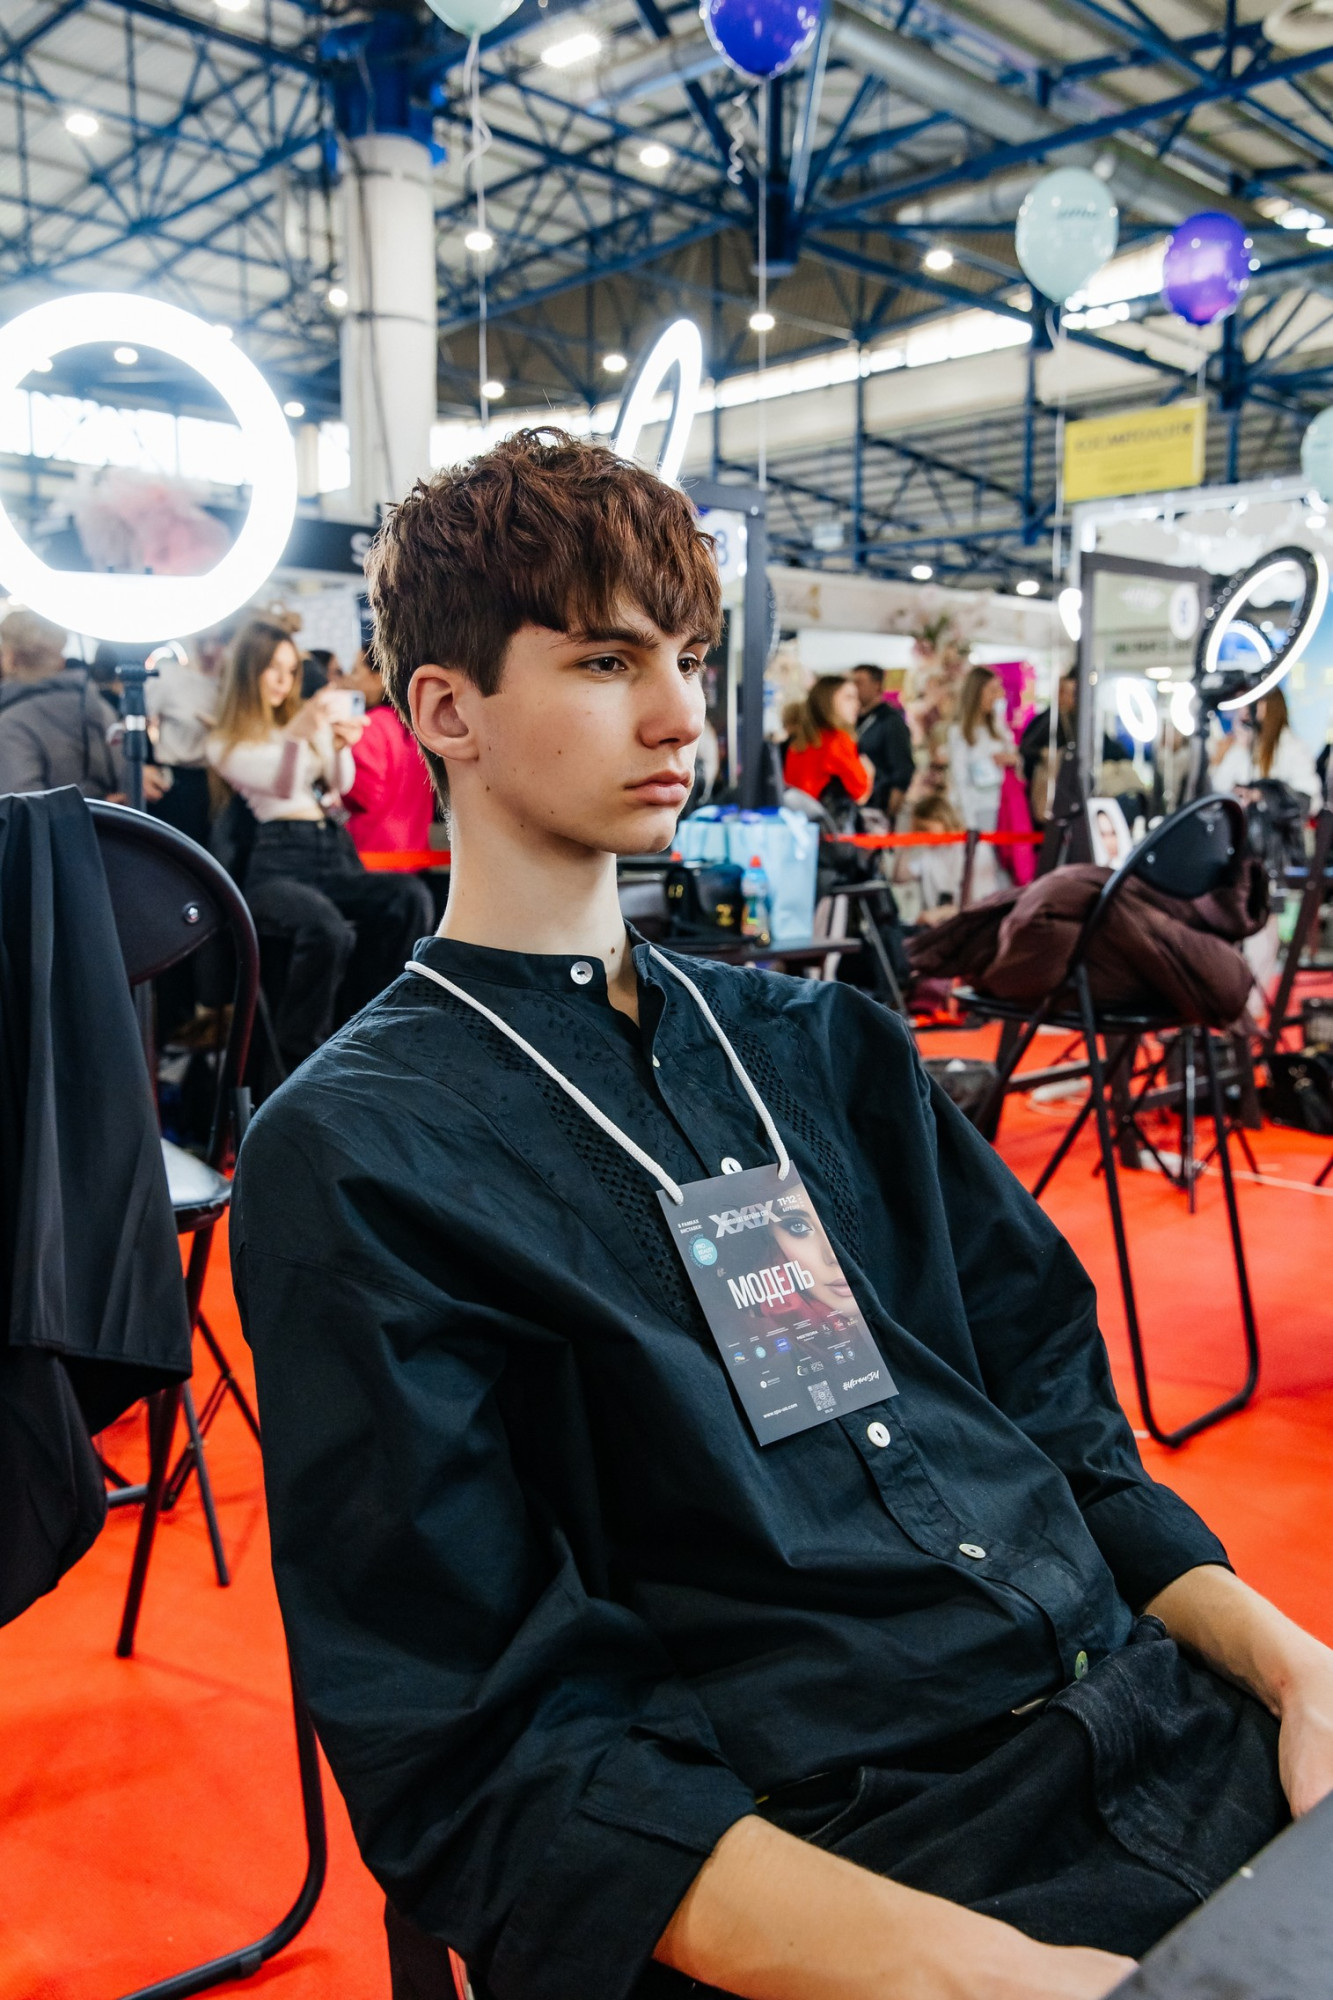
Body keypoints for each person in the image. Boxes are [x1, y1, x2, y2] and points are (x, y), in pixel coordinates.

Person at [231, 430, 1333, 2000]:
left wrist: (1296, 1668)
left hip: (1168, 1709)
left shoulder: (823, 1046)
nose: (681, 715)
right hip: (851, 1862)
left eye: (686, 658)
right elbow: (487, 1736)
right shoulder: (361, 1148)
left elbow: (1057, 1420)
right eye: (606, 661)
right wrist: (996, 1980)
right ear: (447, 709)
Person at [207, 618, 432, 1070]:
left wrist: (341, 744)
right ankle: (302, 1054)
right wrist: (299, 735)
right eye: (273, 668)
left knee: (408, 898)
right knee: (325, 929)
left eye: (290, 670)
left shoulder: (296, 725)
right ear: (249, 670)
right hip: (277, 863)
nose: (283, 680)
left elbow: (339, 783)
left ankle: (376, 1024)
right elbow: (283, 784)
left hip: (330, 851)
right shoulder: (226, 740)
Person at [0, 608, 133, 800]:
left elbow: (21, 811)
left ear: (10, 657)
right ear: (60, 656)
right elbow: (127, 783)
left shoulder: (11, 724)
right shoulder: (100, 707)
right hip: (113, 820)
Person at [340, 645, 437, 858]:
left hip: (374, 854)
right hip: (415, 852)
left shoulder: (370, 726)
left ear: (378, 678)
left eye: (355, 671)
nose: (348, 679)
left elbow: (361, 795)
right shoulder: (417, 728)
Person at [947, 663, 1016, 899]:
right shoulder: (960, 732)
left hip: (1002, 806)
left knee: (1002, 864)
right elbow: (959, 779)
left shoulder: (997, 727)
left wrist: (1009, 758)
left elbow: (1013, 755)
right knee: (981, 870)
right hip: (976, 809)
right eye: (991, 690)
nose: (997, 695)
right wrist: (969, 821)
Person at [1213, 688, 1320, 818]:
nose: (1244, 711)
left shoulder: (1291, 747)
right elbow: (1219, 787)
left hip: (1277, 828)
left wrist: (1263, 795)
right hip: (1245, 825)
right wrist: (1240, 746)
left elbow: (1309, 800)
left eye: (1251, 703)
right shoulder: (1245, 744)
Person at [783, 673, 874, 812]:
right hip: (824, 821)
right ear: (827, 701)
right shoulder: (838, 741)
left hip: (797, 819)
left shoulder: (799, 741)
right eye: (849, 698)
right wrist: (869, 772)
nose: (857, 704)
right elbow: (860, 794)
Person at [851, 663, 915, 818]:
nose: (854, 688)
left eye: (860, 682)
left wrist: (890, 810)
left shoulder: (890, 721)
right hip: (857, 803)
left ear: (877, 686)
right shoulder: (853, 721)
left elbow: (902, 768)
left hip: (879, 804)